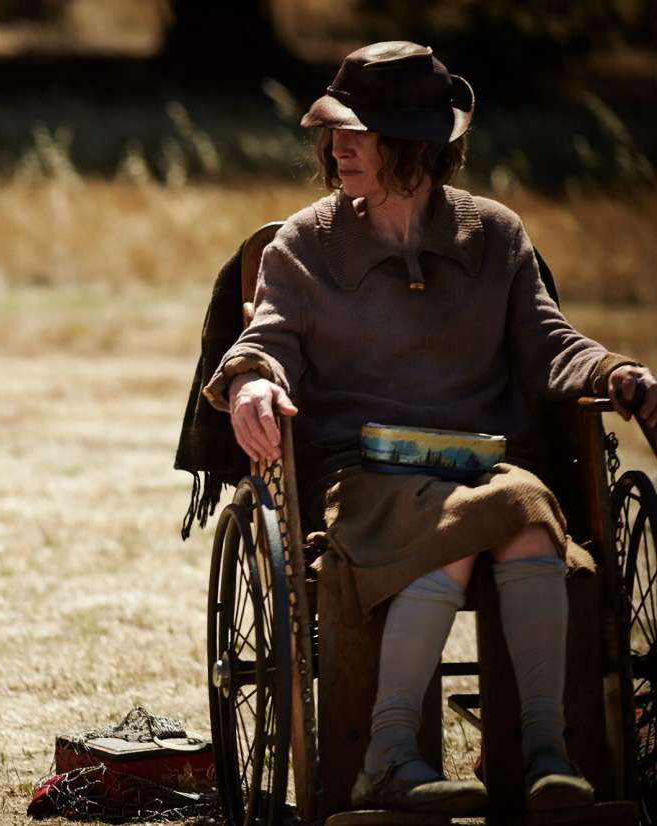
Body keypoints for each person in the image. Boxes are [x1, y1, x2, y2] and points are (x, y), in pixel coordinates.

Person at [197, 42, 657, 814]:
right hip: (360, 474)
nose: (338, 148)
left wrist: (619, 374)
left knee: (530, 513)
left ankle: (545, 756)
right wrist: (250, 381)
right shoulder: (305, 244)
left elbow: (552, 345)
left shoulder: (495, 235)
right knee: (469, 525)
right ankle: (387, 758)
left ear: (416, 144)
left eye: (360, 132)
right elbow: (266, 338)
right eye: (334, 131)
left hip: (482, 465)